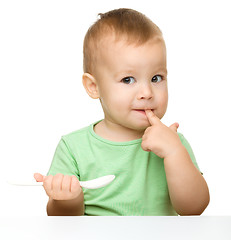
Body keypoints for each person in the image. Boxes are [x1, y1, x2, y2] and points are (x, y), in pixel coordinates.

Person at [34, 8, 210, 216]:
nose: (146, 92)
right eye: (128, 80)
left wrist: (174, 153)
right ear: (93, 86)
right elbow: (62, 221)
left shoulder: (173, 142)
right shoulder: (73, 148)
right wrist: (67, 199)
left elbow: (194, 209)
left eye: (156, 78)